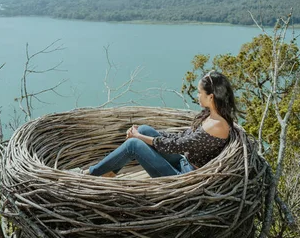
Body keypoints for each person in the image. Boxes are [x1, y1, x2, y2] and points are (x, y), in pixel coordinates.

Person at [83, 71, 237, 178]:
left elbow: (177, 145)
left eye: (199, 92)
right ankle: (109, 172)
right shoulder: (211, 116)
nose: (197, 96)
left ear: (210, 97)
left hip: (184, 177)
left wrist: (139, 137)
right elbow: (182, 137)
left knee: (133, 145)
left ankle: (92, 173)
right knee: (144, 129)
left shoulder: (216, 125)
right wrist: (143, 134)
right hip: (183, 162)